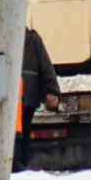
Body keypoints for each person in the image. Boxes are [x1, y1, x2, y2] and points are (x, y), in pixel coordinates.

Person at [15, 28, 60, 172]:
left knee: (12, 134)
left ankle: (15, 165)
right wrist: (51, 91)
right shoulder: (32, 38)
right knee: (24, 131)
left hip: (11, 97)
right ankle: (21, 164)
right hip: (29, 96)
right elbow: (45, 66)